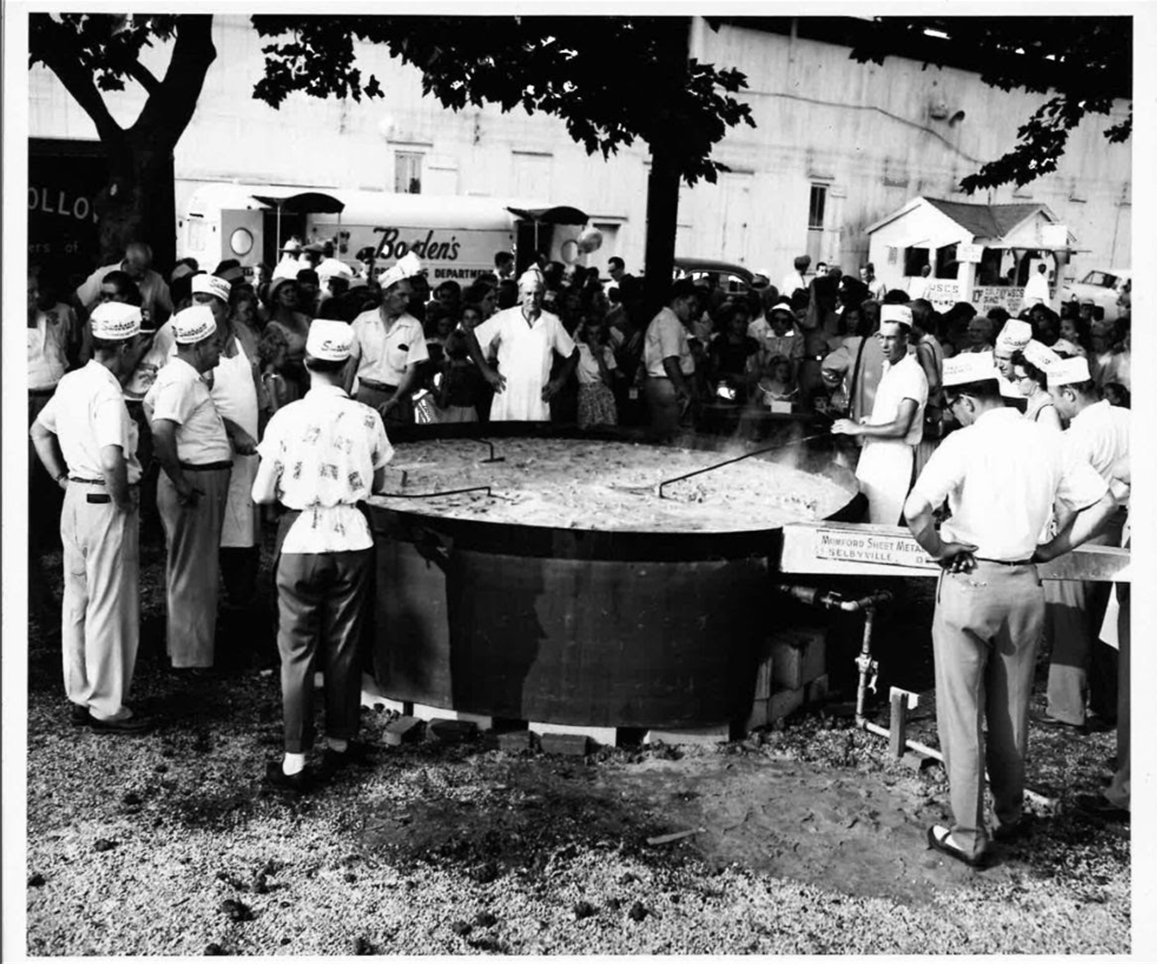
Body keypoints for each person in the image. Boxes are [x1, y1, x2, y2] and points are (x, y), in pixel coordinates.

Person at [903, 350, 1116, 867]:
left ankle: (969, 834)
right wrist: (1053, 549)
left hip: (970, 581)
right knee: (1011, 712)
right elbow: (1104, 502)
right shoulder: (1048, 440)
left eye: (954, 406)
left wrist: (940, 548)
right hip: (1025, 584)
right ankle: (1011, 815)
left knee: (961, 712)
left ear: (966, 401)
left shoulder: (963, 441)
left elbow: (914, 511)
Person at [252, 320, 393, 792]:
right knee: (343, 645)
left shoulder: (285, 418)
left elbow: (258, 493)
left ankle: (295, 761)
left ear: (308, 363)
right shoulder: (369, 417)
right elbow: (383, 482)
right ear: (349, 363)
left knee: (296, 654)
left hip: (300, 542)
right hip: (353, 538)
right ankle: (340, 742)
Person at [29, 302, 153, 733]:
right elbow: (112, 458)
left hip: (77, 497)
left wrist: (62, 478)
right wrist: (123, 502)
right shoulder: (106, 391)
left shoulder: (71, 380)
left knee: (78, 600)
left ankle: (80, 693)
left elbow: (40, 431)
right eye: (138, 342)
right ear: (125, 345)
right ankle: (108, 705)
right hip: (105, 498)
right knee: (109, 605)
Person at [1041, 355, 1130, 731]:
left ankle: (1066, 708)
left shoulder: (1077, 433)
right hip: (1118, 525)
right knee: (1100, 619)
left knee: (1068, 617)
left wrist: (1058, 539)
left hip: (1083, 525)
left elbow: (1067, 497)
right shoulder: (1127, 417)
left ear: (1070, 393)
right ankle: (1107, 700)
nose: (1054, 407)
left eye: (1055, 398)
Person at [144, 305, 232, 672]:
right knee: (195, 571)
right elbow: (161, 430)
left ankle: (184, 648)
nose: (219, 352)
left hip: (196, 477)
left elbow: (149, 407)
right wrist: (180, 479)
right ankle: (191, 656)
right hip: (194, 481)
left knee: (190, 567)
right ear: (199, 345)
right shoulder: (181, 379)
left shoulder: (180, 375)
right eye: (215, 345)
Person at [831, 305, 928, 525]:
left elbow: (901, 427)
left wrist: (858, 428)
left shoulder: (911, 373)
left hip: (893, 460)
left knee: (879, 525)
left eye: (891, 338)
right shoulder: (890, 367)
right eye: (881, 337)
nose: (884, 345)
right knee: (863, 518)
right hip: (873, 453)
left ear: (906, 338)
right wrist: (872, 422)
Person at [466, 268, 579, 422]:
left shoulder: (552, 322)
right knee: (503, 442)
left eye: (537, 294)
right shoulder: (505, 317)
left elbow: (573, 353)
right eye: (528, 293)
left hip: (537, 399)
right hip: (507, 396)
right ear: (521, 293)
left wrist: (560, 381)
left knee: (535, 443)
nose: (532, 299)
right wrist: (486, 371)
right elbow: (472, 338)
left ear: (543, 294)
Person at [349, 252, 430, 426]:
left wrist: (395, 400)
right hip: (365, 394)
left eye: (408, 295)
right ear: (386, 294)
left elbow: (411, 370)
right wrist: (345, 397)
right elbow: (351, 362)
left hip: (398, 397)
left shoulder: (413, 326)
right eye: (402, 295)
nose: (407, 300)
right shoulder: (363, 321)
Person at [641, 279, 700, 438]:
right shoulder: (669, 321)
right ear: (679, 301)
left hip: (661, 382)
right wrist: (683, 389)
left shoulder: (664, 319)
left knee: (666, 433)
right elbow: (670, 360)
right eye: (691, 304)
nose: (693, 310)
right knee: (673, 435)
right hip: (667, 384)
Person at [76, 241, 173, 327]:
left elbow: (173, 305)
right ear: (127, 261)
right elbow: (78, 301)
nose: (143, 275)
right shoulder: (101, 276)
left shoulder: (154, 279)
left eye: (146, 270)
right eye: (139, 270)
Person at [574, 313, 619, 428]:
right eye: (591, 334)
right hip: (586, 394)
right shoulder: (579, 349)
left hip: (604, 395)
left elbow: (609, 381)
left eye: (597, 334)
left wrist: (599, 357)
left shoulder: (607, 351)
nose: (594, 337)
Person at [1012, 341, 1063, 431]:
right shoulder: (1034, 402)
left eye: (1020, 378)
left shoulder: (1048, 410)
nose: (1016, 382)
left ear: (1038, 380)